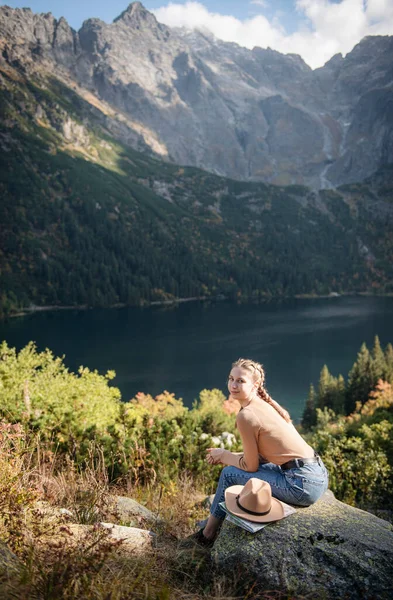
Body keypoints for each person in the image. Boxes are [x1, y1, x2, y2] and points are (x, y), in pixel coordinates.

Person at [196, 357, 329, 547]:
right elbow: (262, 458)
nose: (233, 385)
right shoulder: (265, 404)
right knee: (246, 468)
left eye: (240, 381)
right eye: (231, 378)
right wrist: (230, 456)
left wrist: (224, 456)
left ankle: (207, 534)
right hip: (317, 474)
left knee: (228, 474)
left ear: (255, 385)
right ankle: (214, 522)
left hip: (301, 483)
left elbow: (250, 466)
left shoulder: (246, 415)